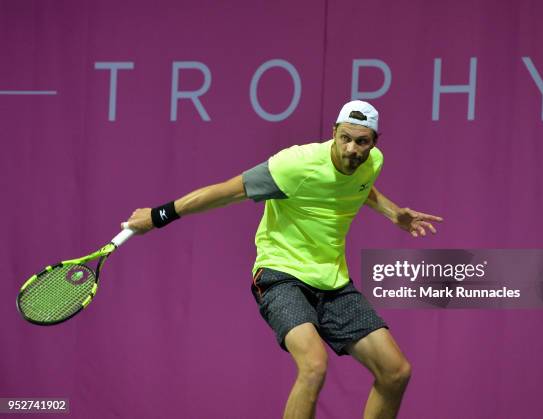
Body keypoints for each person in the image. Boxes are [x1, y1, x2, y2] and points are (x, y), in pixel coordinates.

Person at [123, 100, 443, 419]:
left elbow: (360, 185)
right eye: (344, 138)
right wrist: (157, 215)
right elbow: (225, 192)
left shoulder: (372, 161)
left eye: (362, 141)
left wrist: (393, 213)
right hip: (280, 276)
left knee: (395, 371)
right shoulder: (294, 166)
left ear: (374, 142)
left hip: (333, 283)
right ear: (333, 133)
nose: (351, 149)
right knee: (314, 365)